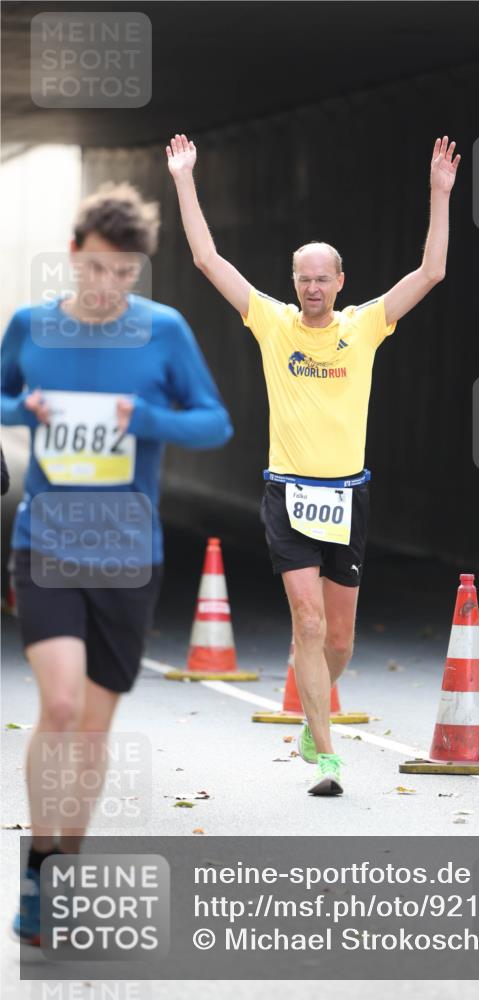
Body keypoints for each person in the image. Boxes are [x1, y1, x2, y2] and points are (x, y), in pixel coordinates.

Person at [166, 131, 460, 796]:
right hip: (288, 494)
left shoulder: (366, 325)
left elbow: (431, 273)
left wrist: (438, 195)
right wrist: (185, 178)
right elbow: (208, 259)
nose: (313, 288)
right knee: (307, 620)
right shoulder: (272, 323)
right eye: (303, 278)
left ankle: (311, 713)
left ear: (340, 282)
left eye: (323, 278)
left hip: (347, 497)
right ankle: (326, 758)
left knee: (340, 640)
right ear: (293, 283)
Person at [1, 181, 234, 945]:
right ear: (73, 256)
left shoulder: (163, 333)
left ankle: (65, 862)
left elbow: (215, 423)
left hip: (130, 556)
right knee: (60, 707)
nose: (108, 288)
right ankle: (36, 869)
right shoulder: (30, 326)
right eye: (98, 269)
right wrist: (21, 408)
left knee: (94, 731)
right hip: (47, 545)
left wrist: (149, 418)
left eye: (125, 275)